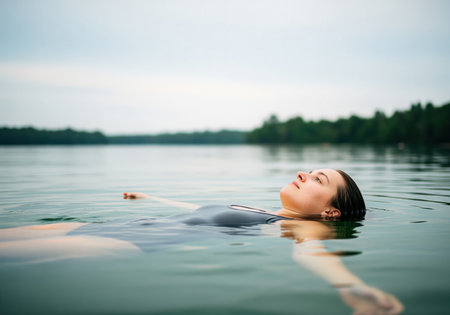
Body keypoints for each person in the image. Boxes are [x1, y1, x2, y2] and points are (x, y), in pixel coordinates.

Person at [0, 169, 403, 314]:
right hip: (118, 224)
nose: (304, 174)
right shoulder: (266, 211)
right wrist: (149, 198)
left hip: (132, 243)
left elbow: (312, 255)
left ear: (331, 212)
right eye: (310, 170)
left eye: (319, 180)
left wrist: (351, 287)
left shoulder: (306, 229)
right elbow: (197, 208)